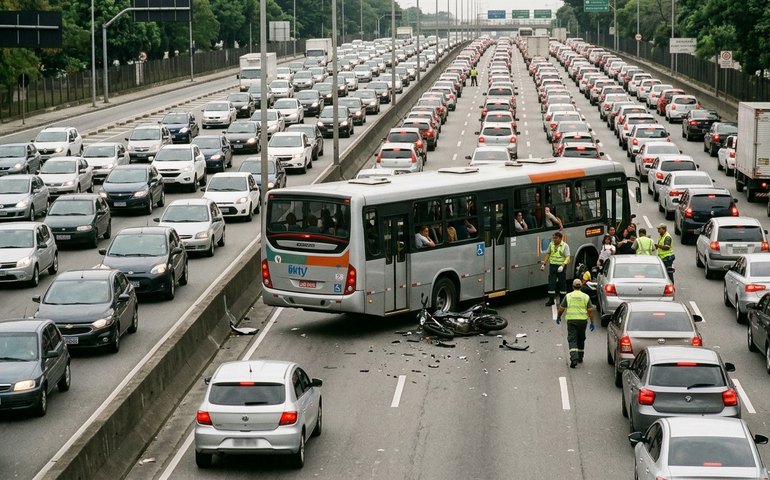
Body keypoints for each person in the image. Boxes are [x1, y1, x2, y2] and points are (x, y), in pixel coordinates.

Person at [557, 279, 595, 368]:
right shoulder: (586, 297)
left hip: (572, 321)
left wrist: (559, 316)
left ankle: (574, 359)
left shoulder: (568, 296)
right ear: (581, 286)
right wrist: (592, 322)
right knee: (581, 338)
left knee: (572, 339)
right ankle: (580, 357)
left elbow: (562, 308)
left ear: (572, 286)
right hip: (582, 321)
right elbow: (590, 310)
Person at [541, 231, 570, 306]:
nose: (554, 240)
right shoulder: (551, 244)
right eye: (553, 238)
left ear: (560, 238)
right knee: (551, 283)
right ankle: (551, 300)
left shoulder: (565, 246)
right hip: (553, 266)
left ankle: (562, 301)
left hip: (561, 266)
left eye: (556, 238)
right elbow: (548, 253)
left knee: (562, 283)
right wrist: (544, 263)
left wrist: (562, 265)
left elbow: (568, 257)